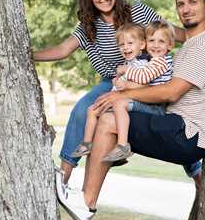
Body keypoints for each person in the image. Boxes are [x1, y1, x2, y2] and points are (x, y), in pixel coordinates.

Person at [56, 0, 205, 220]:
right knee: (109, 114)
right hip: (176, 126)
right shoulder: (190, 45)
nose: (186, 9)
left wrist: (122, 95)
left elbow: (171, 92)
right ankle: (88, 193)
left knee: (109, 119)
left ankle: (86, 201)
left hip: (189, 133)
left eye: (193, 2)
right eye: (181, 4)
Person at [32, 0, 188, 184]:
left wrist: (200, 38)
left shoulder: (138, 12)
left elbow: (173, 33)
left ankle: (198, 175)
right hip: (112, 82)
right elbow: (62, 50)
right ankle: (63, 177)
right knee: (82, 110)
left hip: (147, 76)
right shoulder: (88, 27)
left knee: (174, 115)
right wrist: (28, 55)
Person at [71, 21, 175, 162]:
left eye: (161, 41)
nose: (155, 45)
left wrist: (125, 79)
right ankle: (87, 143)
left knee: (119, 105)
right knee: (93, 109)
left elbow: (144, 80)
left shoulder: (159, 62)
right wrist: (117, 81)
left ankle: (122, 146)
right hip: (141, 101)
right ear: (147, 43)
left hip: (155, 106)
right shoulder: (140, 62)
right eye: (152, 40)